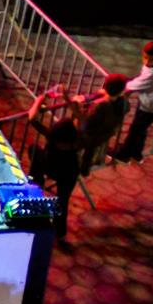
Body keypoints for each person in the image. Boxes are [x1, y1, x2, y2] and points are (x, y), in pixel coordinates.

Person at [26, 85, 84, 243]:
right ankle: (60, 233)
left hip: (50, 167)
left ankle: (37, 182)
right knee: (62, 201)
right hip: (69, 173)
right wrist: (69, 100)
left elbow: (32, 118)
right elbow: (80, 119)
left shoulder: (52, 135)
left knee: (34, 149)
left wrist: (39, 101)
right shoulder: (78, 139)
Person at [112, 42, 153, 163]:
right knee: (141, 130)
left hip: (150, 108)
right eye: (145, 57)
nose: (147, 62)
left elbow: (130, 87)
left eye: (151, 59)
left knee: (135, 130)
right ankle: (136, 154)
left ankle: (123, 155)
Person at [77, 74, 129, 174]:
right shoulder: (125, 103)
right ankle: (85, 169)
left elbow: (87, 121)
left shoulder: (101, 105)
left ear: (105, 87)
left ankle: (73, 167)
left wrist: (79, 107)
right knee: (90, 151)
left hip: (90, 134)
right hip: (105, 133)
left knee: (80, 146)